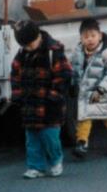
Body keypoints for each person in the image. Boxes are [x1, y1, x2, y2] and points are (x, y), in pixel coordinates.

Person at [10, 20, 73, 178]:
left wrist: (53, 96)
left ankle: (55, 161)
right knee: (32, 139)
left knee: (50, 137)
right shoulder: (22, 53)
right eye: (25, 45)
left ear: (38, 36)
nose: (28, 47)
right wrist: (17, 94)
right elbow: (15, 74)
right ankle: (35, 166)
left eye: (31, 43)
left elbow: (64, 76)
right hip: (30, 104)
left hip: (50, 105)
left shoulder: (54, 51)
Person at [70, 18, 107, 158]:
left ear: (100, 36)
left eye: (93, 36)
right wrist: (73, 83)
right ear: (81, 38)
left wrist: (101, 89)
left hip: (103, 93)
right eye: (86, 36)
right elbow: (75, 70)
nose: (90, 40)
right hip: (86, 92)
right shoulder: (78, 53)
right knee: (84, 117)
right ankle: (82, 142)